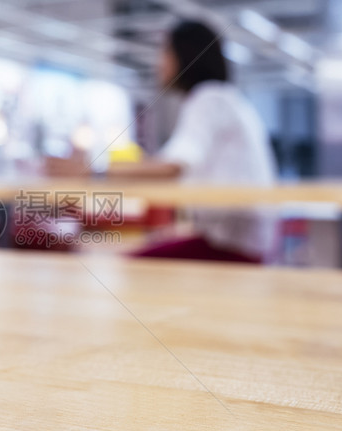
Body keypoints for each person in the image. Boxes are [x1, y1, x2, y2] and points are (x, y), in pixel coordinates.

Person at [48, 20, 278, 263]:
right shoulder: (224, 99)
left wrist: (92, 171)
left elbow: (171, 166)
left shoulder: (209, 99)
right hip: (238, 240)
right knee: (137, 255)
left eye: (165, 52)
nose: (159, 63)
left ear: (185, 54)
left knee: (132, 266)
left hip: (233, 247)